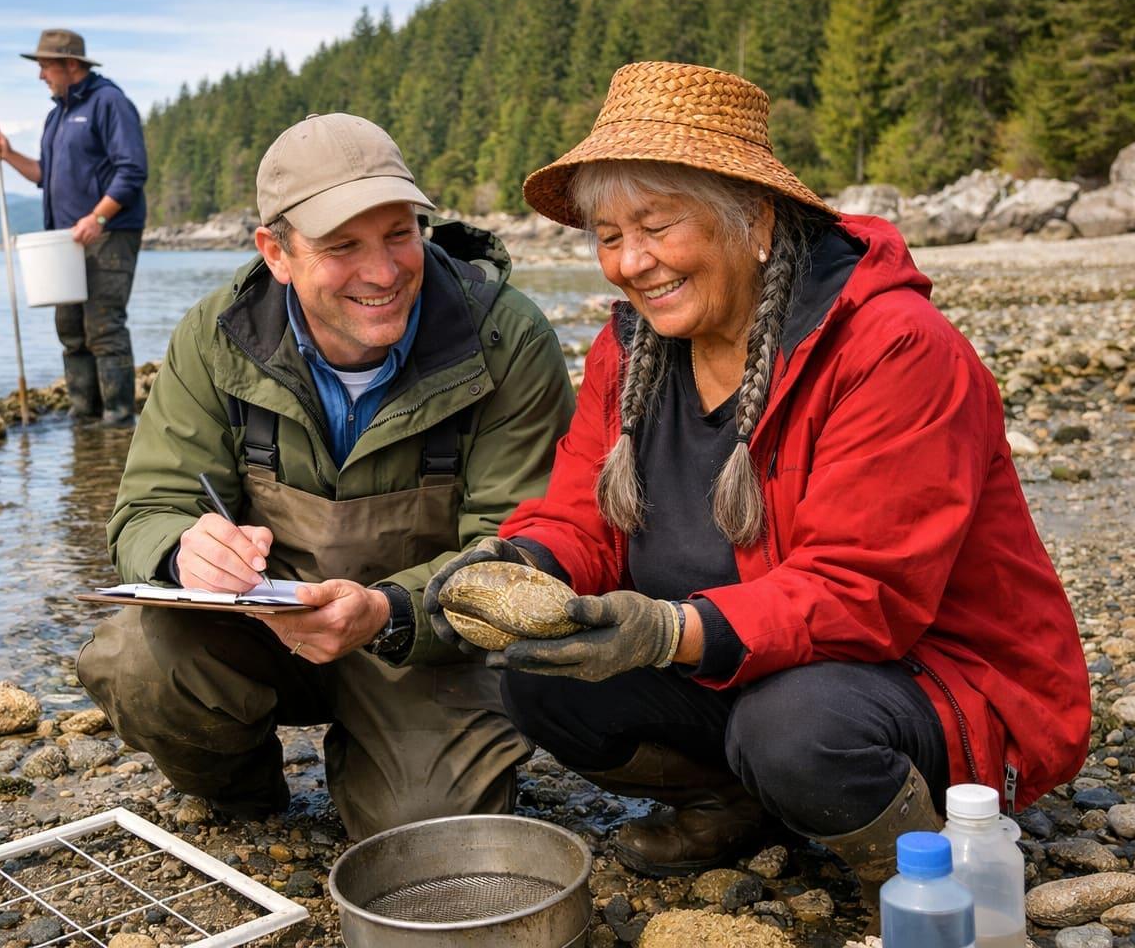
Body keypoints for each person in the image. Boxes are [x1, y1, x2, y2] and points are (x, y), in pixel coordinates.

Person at [424, 62, 1090, 914]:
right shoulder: (627, 351)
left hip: (940, 680)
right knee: (540, 678)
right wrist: (516, 562)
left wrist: (667, 631)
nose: (631, 263)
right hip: (743, 659)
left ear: (757, 221)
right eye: (607, 235)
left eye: (658, 226)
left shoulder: (894, 348)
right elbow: (582, 517)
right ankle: (735, 806)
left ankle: (923, 880)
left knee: (794, 729)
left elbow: (865, 593)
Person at [77, 113, 576, 838]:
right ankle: (249, 800)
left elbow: (521, 550)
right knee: (135, 662)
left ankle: (386, 762)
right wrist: (184, 548)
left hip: (425, 642)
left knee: (427, 836)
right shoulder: (216, 337)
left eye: (400, 235)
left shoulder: (506, 340)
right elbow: (149, 506)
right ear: (275, 252)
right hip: (265, 635)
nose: (382, 272)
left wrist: (387, 612)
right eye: (343, 247)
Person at [0, 28, 147, 426]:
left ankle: (118, 419)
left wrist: (98, 217)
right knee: (71, 329)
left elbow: (132, 170)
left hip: (108, 234)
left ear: (70, 65)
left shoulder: (109, 102)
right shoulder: (56, 115)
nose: (41, 75)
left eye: (46, 66)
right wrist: (8, 155)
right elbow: (45, 175)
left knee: (103, 327)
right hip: (64, 242)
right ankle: (83, 417)